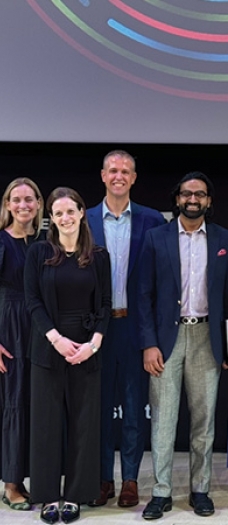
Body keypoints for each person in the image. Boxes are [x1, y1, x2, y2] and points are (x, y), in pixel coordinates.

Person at [138, 171, 228, 521]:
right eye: (186, 193)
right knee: (163, 423)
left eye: (199, 194)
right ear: (177, 198)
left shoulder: (225, 239)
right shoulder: (156, 238)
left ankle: (200, 490)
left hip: (207, 337)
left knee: (204, 422)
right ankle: (161, 492)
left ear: (209, 200)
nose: (192, 199)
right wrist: (149, 344)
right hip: (166, 340)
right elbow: (144, 296)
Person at [24, 187, 111, 524]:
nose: (64, 218)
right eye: (57, 213)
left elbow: (105, 303)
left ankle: (76, 495)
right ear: (51, 218)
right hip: (48, 347)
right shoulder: (38, 253)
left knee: (84, 425)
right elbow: (33, 300)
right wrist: (56, 339)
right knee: (45, 425)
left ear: (81, 213)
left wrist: (94, 343)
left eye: (70, 211)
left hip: (88, 349)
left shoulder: (99, 255)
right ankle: (46, 496)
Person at [87, 150, 165, 508]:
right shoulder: (84, 220)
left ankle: (130, 479)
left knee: (134, 409)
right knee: (100, 409)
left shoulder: (152, 221)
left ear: (134, 178)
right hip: (96, 331)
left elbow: (162, 282)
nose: (119, 176)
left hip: (136, 328)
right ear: (103, 176)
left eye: (126, 171)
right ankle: (103, 478)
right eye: (113, 170)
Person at [0, 178, 44, 511]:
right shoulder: (1, 241)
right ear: (8, 205)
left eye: (29, 199)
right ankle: (12, 483)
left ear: (39, 204)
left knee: (35, 404)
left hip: (39, 328)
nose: (23, 205)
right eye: (17, 200)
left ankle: (29, 478)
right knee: (14, 403)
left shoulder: (44, 242)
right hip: (10, 329)